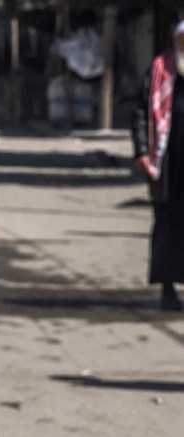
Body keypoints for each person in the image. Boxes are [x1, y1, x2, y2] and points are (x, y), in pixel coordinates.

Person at [132, 21, 184, 311]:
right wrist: (141, 150)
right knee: (166, 224)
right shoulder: (159, 70)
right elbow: (141, 111)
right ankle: (167, 288)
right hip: (166, 163)